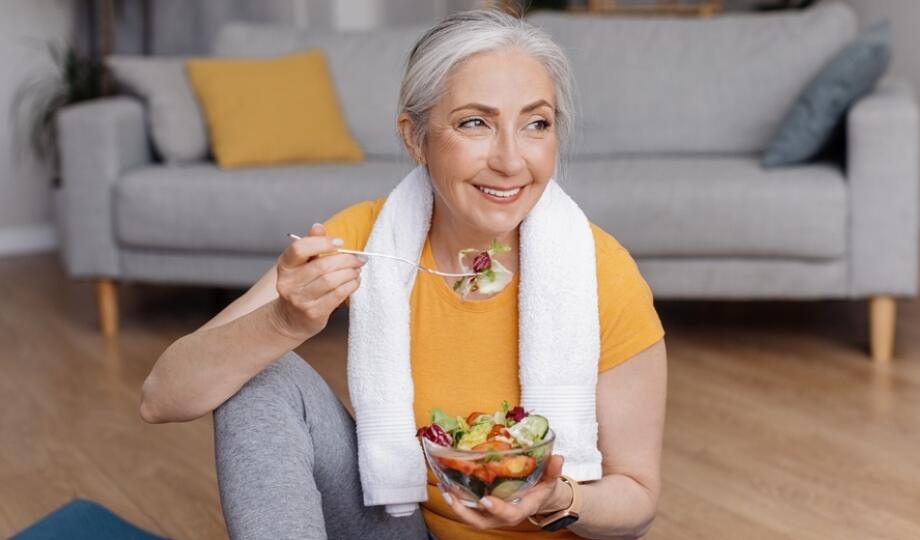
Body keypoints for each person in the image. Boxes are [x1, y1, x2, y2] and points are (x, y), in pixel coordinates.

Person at [140, 8, 667, 540]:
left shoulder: (600, 272)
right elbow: (161, 397)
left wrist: (559, 496)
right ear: (415, 139)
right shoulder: (368, 239)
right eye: (474, 123)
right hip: (401, 528)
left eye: (536, 124)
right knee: (260, 374)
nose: (511, 160)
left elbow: (638, 503)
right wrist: (282, 322)